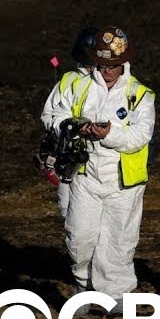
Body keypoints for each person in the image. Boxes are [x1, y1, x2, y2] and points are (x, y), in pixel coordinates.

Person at [45, 26, 154, 311]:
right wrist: (75, 126)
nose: (107, 70)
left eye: (113, 65)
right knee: (80, 237)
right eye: (103, 64)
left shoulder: (140, 95)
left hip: (123, 181)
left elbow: (139, 137)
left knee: (118, 239)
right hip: (85, 174)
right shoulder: (78, 84)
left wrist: (109, 134)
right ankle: (83, 286)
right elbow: (56, 115)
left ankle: (115, 295)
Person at [40, 26, 98, 217]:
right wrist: (66, 128)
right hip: (69, 162)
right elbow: (48, 115)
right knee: (70, 215)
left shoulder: (110, 82)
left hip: (99, 163)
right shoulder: (67, 81)